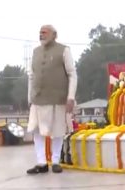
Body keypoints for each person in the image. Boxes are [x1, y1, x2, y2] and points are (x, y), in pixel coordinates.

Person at [27, 25, 77, 174]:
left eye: (44, 32)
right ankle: (41, 162)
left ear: (54, 35)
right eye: (40, 32)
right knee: (36, 130)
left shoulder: (64, 50)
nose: (41, 35)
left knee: (58, 130)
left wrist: (71, 97)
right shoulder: (35, 52)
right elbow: (31, 75)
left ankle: (55, 161)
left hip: (58, 98)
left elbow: (72, 74)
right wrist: (29, 96)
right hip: (37, 99)